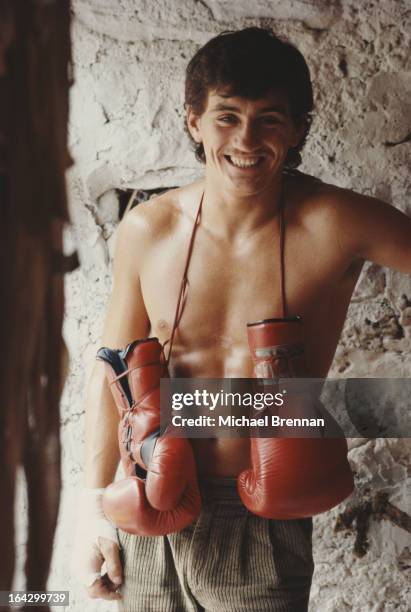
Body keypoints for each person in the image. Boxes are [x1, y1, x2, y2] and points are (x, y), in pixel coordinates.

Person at [73, 27, 411, 611]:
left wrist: (380, 403)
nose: (246, 139)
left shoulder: (336, 223)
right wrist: (94, 514)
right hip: (149, 500)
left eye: (269, 119)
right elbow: (113, 374)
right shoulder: (147, 230)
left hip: (261, 515)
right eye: (227, 117)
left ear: (300, 126)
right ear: (193, 121)